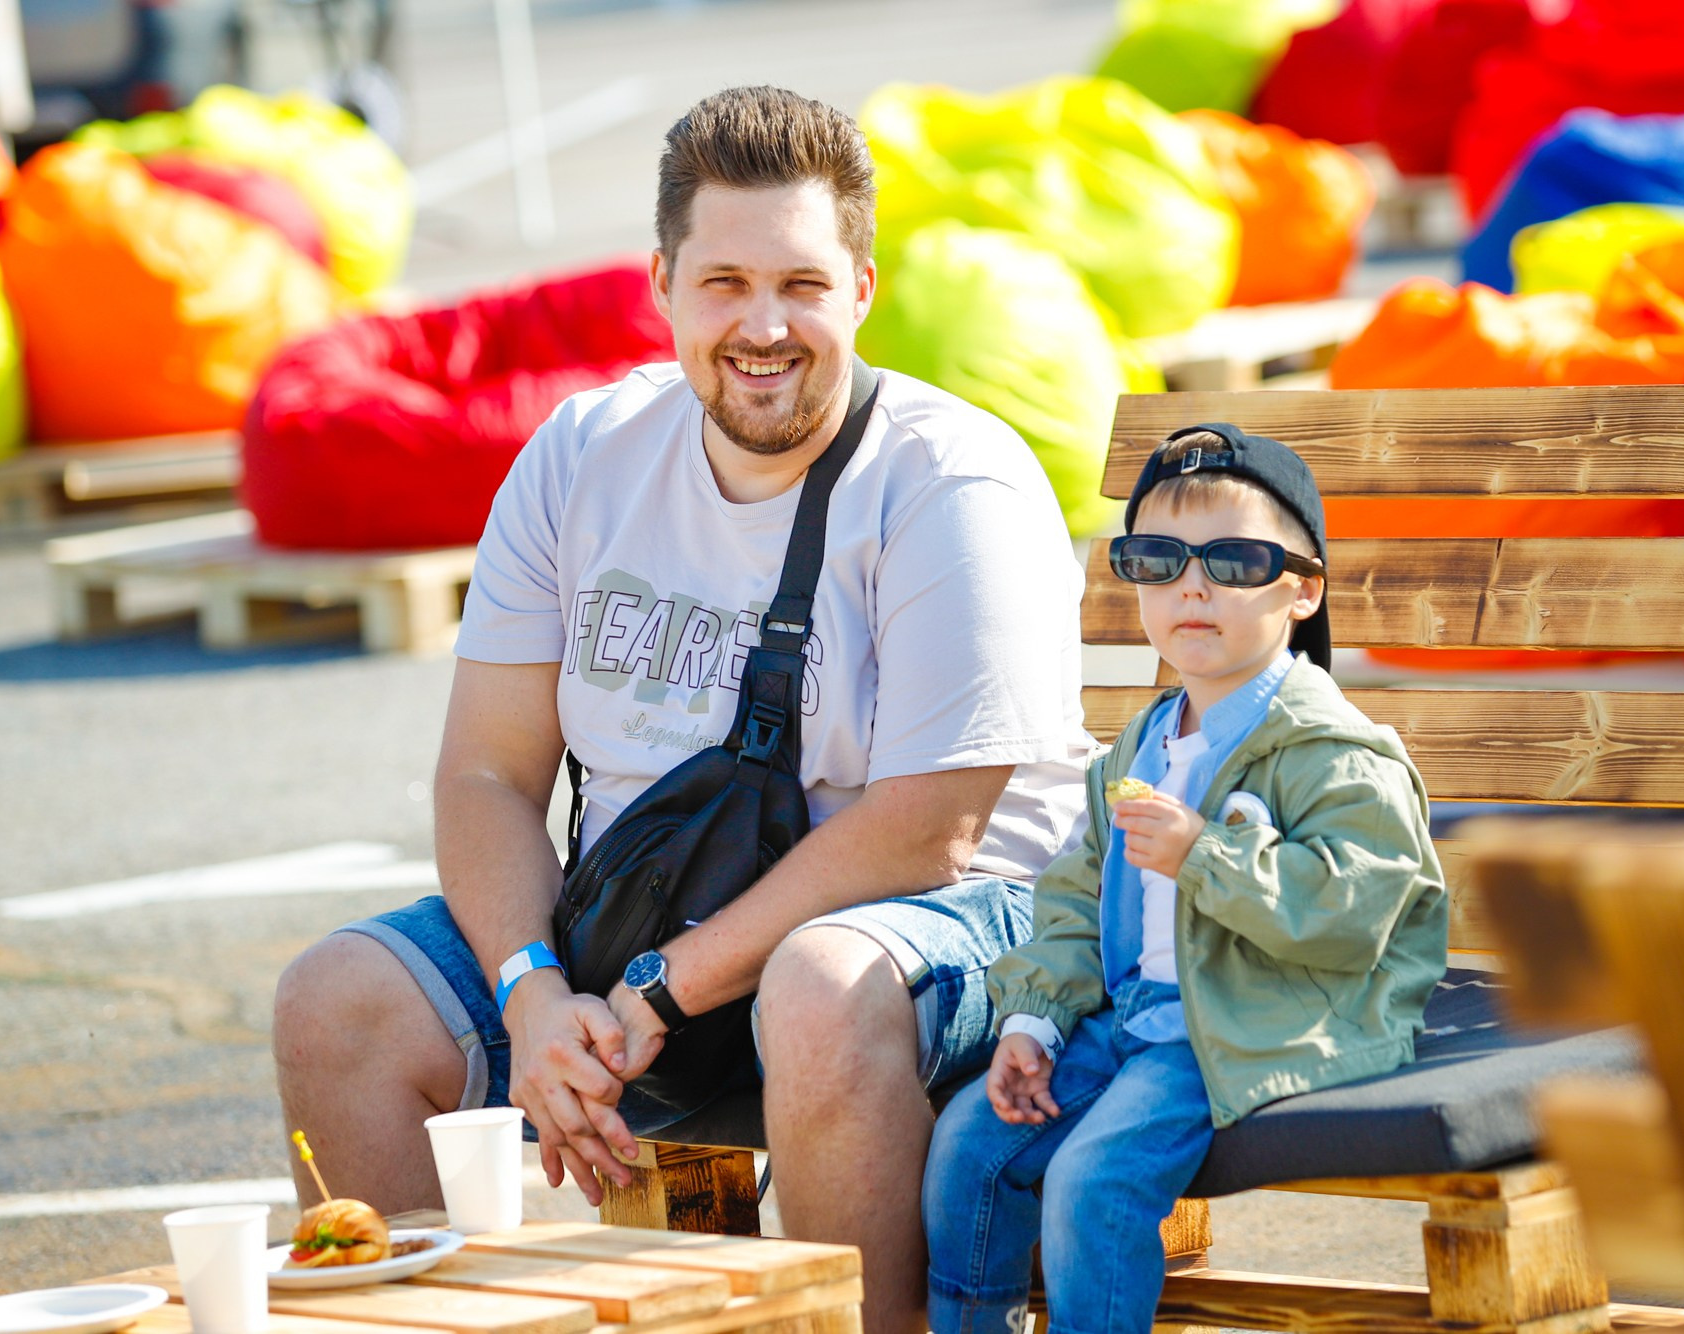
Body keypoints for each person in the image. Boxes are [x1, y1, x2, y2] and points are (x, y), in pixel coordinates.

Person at [272, 85, 1091, 1334]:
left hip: (947, 941)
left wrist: (653, 994)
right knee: (337, 1000)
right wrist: (533, 992)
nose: (763, 325)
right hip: (643, 944)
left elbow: (929, 830)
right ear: (660, 284)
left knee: (815, 986)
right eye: (723, 283)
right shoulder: (579, 454)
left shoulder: (950, 480)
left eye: (802, 284)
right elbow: (485, 774)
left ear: (862, 289)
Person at [922, 424, 1450, 1334]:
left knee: (1095, 1179)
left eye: (1235, 562)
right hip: (1134, 1015)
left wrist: (1206, 855)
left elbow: (1353, 912)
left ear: (1303, 589)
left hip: (1250, 1020)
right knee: (970, 1143)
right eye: (1158, 561)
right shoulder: (1144, 741)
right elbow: (1078, 894)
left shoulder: (1332, 752)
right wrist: (1035, 1019)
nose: (1192, 587)